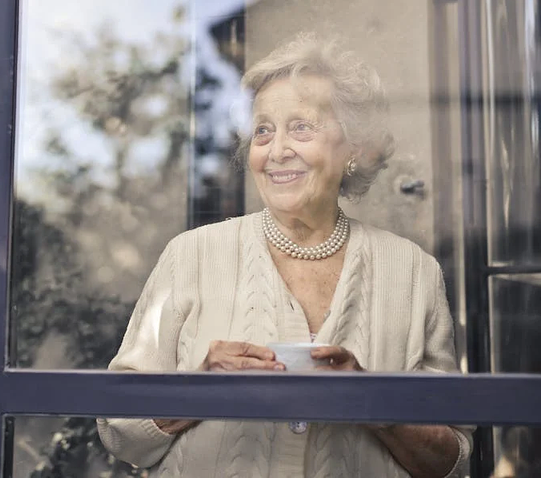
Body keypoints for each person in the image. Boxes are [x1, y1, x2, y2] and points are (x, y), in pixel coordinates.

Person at [97, 34, 471, 477]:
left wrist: (371, 400)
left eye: (301, 127)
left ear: (353, 147)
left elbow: (451, 459)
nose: (276, 151)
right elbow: (118, 428)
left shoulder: (413, 273)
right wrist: (200, 388)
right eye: (263, 130)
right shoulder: (191, 256)